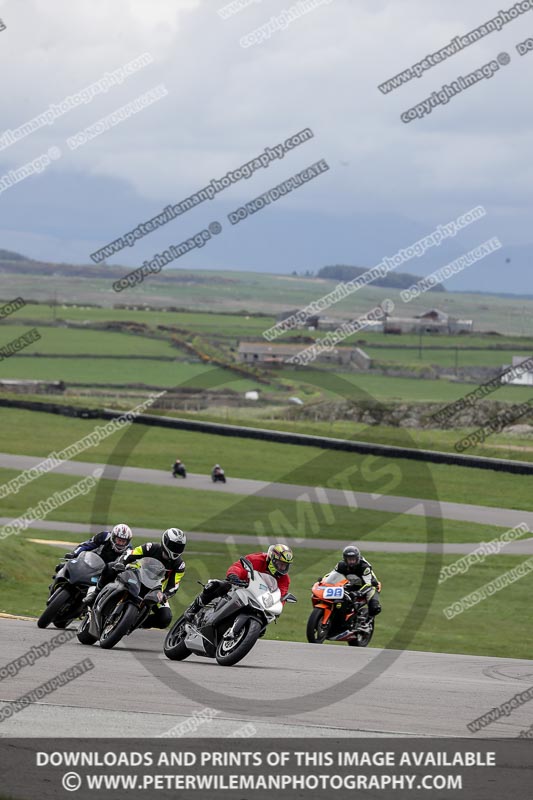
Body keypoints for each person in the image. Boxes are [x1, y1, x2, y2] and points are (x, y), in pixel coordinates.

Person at [182, 543, 293, 621]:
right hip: (241, 585)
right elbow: (239, 566)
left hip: (259, 599)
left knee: (262, 626)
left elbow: (280, 596)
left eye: (285, 565)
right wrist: (234, 575)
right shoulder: (257, 559)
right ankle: (194, 608)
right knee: (217, 585)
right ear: (272, 559)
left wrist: (276, 608)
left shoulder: (284, 579)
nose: (282, 568)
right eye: (280, 564)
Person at [106, 528, 188, 629]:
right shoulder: (151, 547)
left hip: (155, 590)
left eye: (179, 547)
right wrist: (122, 563)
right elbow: (131, 554)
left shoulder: (179, 565)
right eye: (173, 545)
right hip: (135, 576)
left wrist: (165, 594)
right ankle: (96, 593)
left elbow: (174, 585)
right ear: (165, 542)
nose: (176, 549)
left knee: (165, 618)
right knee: (110, 567)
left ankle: (134, 623)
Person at [330, 545, 381, 631]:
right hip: (353, 585)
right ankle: (340, 620)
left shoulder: (364, 566)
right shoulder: (341, 565)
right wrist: (322, 582)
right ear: (345, 559)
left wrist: (358, 593)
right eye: (349, 559)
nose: (351, 562)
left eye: (353, 559)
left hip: (370, 587)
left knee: (374, 607)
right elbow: (331, 576)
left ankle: (368, 622)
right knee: (340, 598)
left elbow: (368, 584)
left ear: (357, 558)